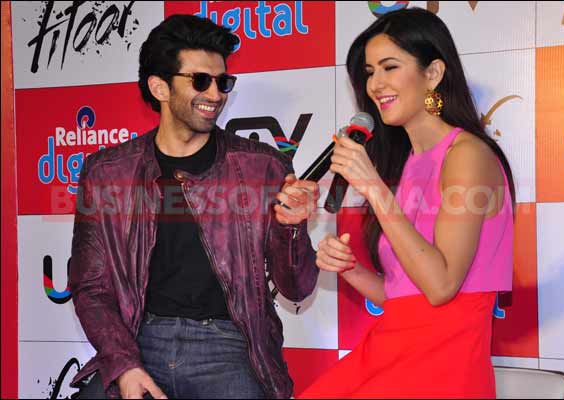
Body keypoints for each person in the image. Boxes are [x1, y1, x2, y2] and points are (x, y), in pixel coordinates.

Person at [68, 14, 319, 399]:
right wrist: (124, 365)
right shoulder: (108, 172)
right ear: (159, 87)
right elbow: (90, 287)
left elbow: (297, 288)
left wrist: (292, 227)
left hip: (230, 346)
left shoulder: (263, 167)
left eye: (223, 82)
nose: (216, 94)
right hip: (138, 339)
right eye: (201, 81)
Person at [300, 7, 515, 399]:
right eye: (369, 72)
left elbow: (441, 286)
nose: (375, 84)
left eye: (390, 67)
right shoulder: (411, 162)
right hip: (393, 350)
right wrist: (351, 270)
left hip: (441, 368)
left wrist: (374, 188)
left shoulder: (467, 154)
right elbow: (404, 297)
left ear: (433, 73)